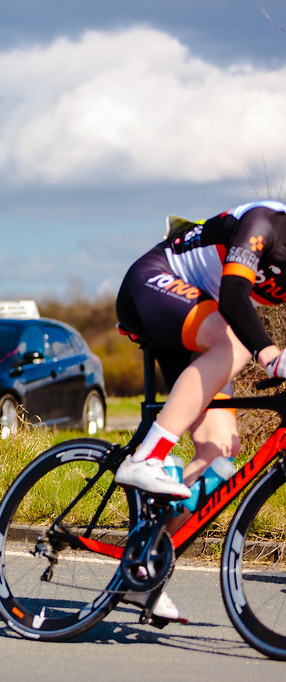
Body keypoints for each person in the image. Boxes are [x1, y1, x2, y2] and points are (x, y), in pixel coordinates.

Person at [114, 199, 286, 624]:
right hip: (154, 282)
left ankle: (142, 568)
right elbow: (233, 294)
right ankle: (146, 458)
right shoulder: (264, 222)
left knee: (218, 459)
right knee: (238, 346)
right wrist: (270, 355)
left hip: (198, 318)